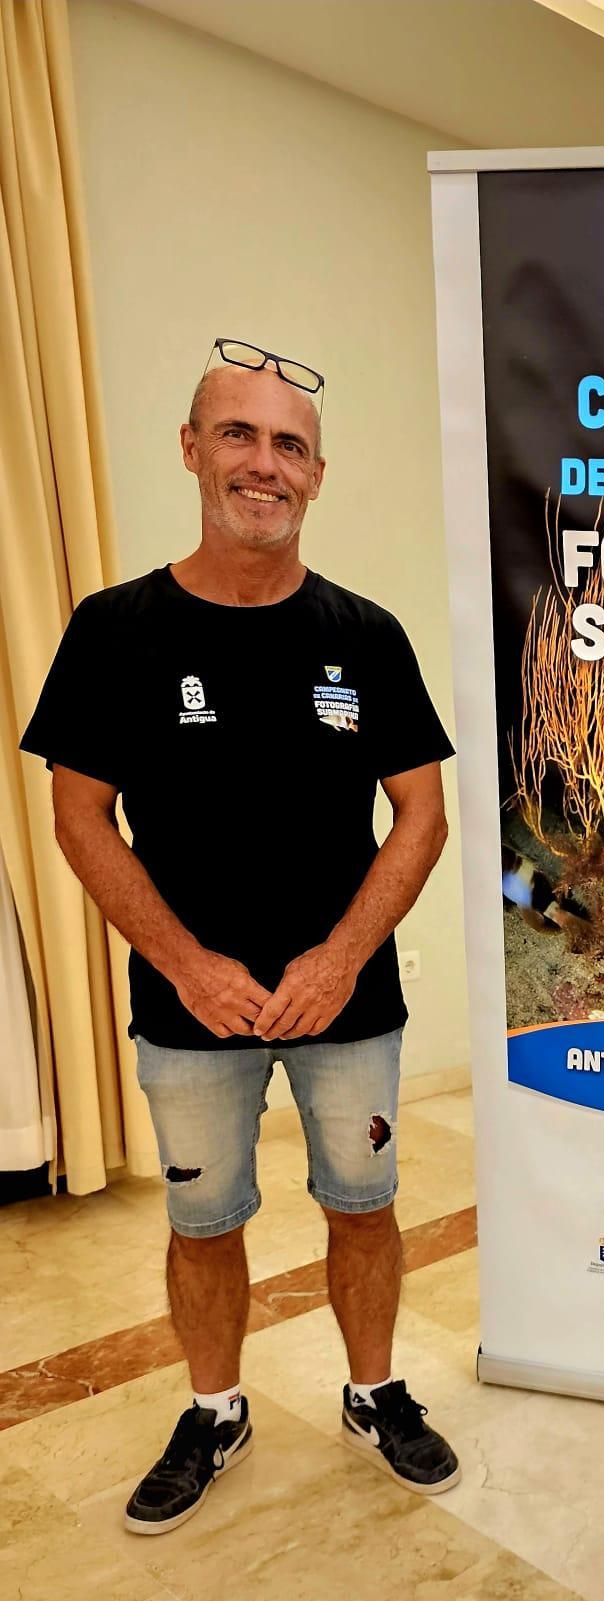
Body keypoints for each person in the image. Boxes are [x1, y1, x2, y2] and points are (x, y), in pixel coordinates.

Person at [21, 338, 461, 1534]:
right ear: (192, 449)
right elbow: (78, 815)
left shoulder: (367, 634)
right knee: (203, 1219)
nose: (265, 464)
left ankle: (374, 1392)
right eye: (239, 434)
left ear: (316, 473)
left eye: (290, 446)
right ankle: (215, 1408)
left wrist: (338, 957)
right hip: (188, 1003)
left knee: (362, 1201)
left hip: (347, 1001)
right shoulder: (115, 629)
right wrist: (188, 964)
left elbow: (422, 814)